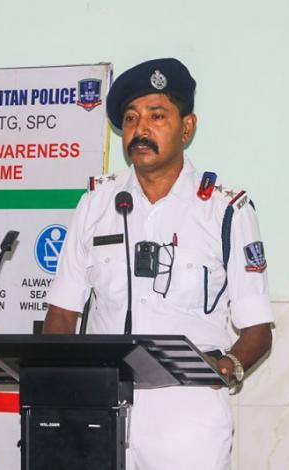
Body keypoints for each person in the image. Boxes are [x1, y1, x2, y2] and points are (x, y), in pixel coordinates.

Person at [43, 58, 274, 469]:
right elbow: (62, 312)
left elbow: (257, 329)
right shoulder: (97, 204)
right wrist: (62, 392)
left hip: (188, 416)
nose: (141, 129)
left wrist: (225, 367)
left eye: (157, 116)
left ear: (187, 128)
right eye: (131, 118)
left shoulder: (225, 211)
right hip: (100, 406)